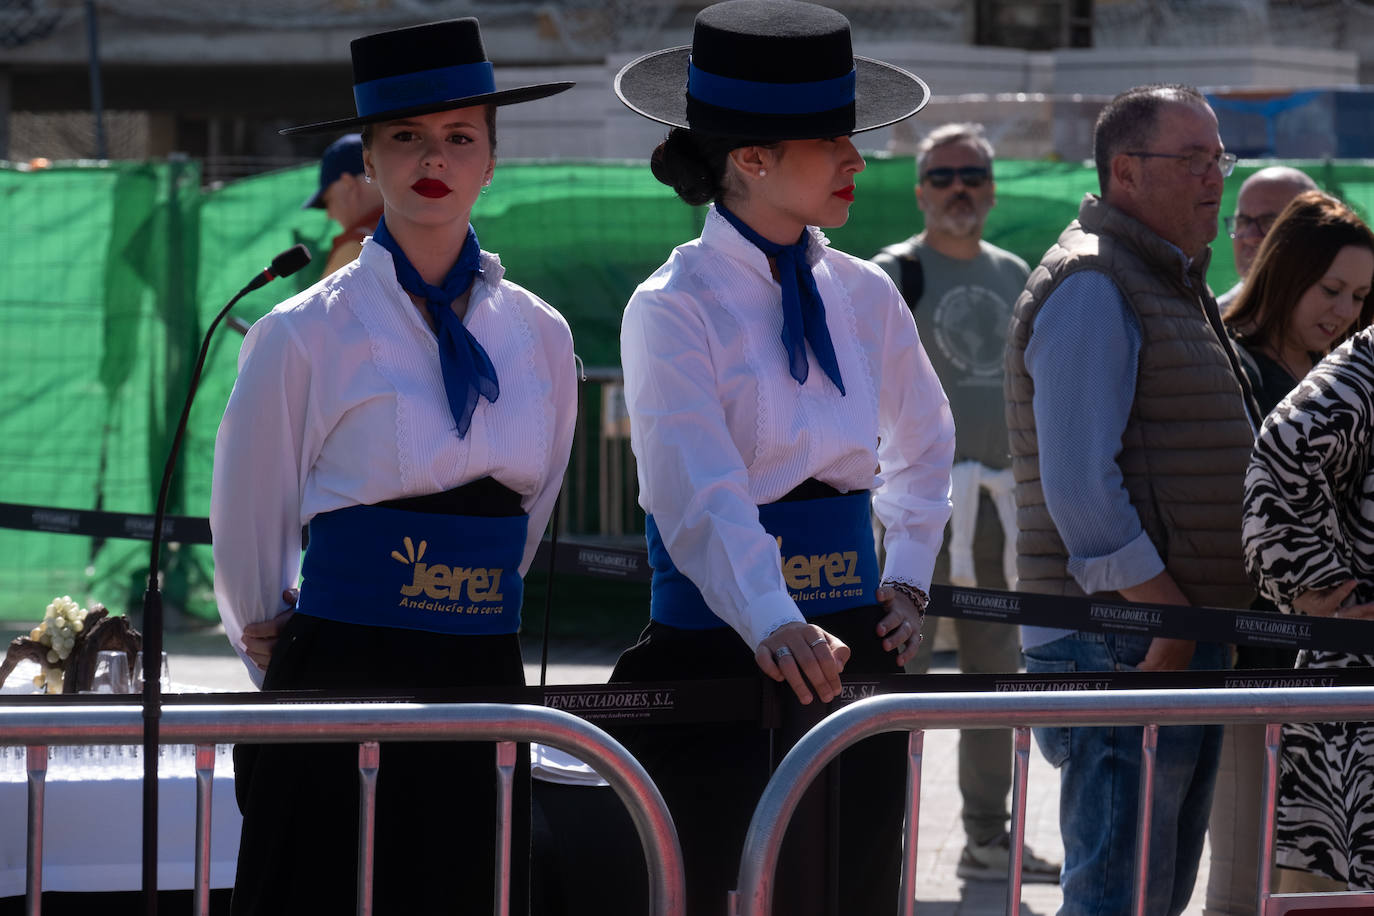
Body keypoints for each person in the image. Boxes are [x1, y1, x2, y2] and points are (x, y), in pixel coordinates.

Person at [209, 19, 576, 915]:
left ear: (492, 160)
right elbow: (248, 514)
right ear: (368, 162)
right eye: (405, 139)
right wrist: (263, 627)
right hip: (340, 680)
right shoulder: (302, 331)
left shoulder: (542, 333)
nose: (433, 159)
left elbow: (532, 512)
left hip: (483, 672)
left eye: (460, 138)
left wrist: (463, 598)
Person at [610, 2, 953, 913]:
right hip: (719, 654)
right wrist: (770, 615)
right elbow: (696, 490)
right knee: (719, 888)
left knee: (854, 886)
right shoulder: (671, 305)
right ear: (751, 159)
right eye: (832, 139)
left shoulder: (865, 291)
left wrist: (909, 579)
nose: (858, 159)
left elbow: (926, 439)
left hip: (852, 646)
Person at [1005, 84, 1260, 916]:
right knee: (1118, 897)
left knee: (1148, 893)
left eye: (1217, 157)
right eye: (1190, 159)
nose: (1213, 178)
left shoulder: (1157, 276)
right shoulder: (1092, 283)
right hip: (1126, 640)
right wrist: (1163, 612)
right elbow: (1080, 487)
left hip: (1159, 636)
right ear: (1124, 171)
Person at [872, 122, 1058, 885]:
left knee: (995, 679)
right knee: (887, 683)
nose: (960, 189)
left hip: (995, 517)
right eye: (944, 175)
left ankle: (988, 839)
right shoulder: (889, 274)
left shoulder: (1016, 271)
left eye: (974, 175)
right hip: (905, 515)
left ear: (991, 187)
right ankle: (876, 834)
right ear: (920, 190)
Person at [1206, 190, 1374, 915]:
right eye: (1330, 287)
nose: (1342, 308)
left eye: (1360, 295)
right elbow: (1279, 462)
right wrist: (1315, 584)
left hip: (1295, 661)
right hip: (1260, 655)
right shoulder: (1233, 354)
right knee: (1249, 881)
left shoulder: (1332, 362)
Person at [1215, 166, 1317, 310]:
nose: (1250, 237)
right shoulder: (1215, 322)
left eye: (1269, 222)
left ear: (1312, 231)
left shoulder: (1338, 313)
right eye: (1242, 222)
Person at [302, 133, 386, 278]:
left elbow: (327, 300)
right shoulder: (425, 228)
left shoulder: (355, 247)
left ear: (348, 185)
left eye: (328, 201)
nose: (329, 215)